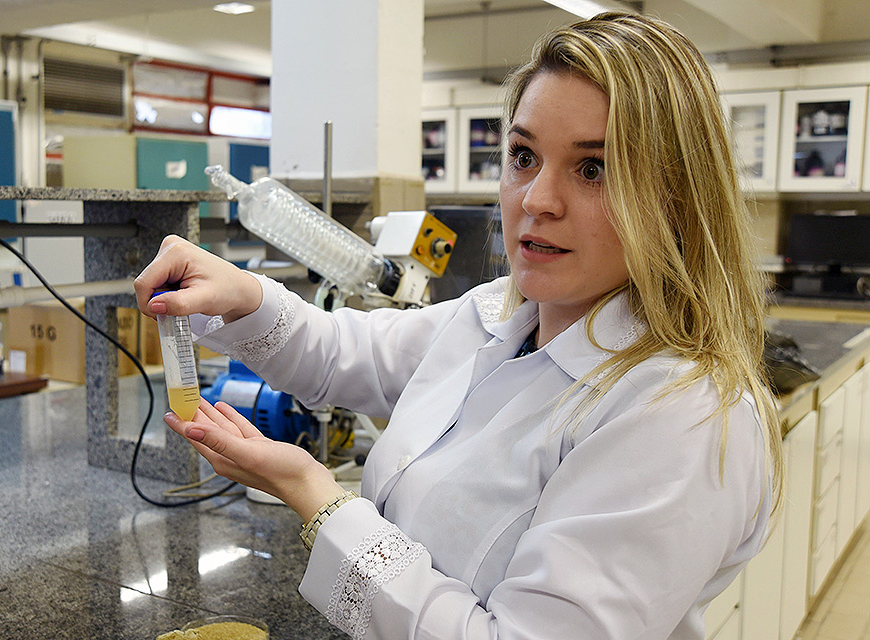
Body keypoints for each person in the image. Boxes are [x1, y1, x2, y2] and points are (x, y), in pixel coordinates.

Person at [134, 12, 783, 640]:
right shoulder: (498, 315)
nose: (536, 199)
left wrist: (317, 498)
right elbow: (346, 353)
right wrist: (242, 294)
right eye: (523, 156)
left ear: (674, 196)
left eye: (593, 168)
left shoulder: (681, 415)